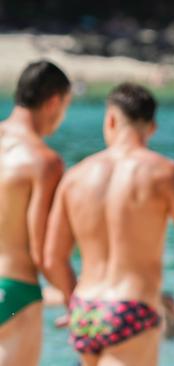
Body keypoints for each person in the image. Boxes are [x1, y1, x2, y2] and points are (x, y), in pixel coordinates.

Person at [42, 82, 174, 366]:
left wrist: (73, 305)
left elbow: (52, 258)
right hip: (131, 307)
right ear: (152, 128)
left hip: (85, 310)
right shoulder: (165, 173)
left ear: (110, 119)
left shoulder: (75, 176)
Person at [0, 60, 71, 366]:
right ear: (54, 102)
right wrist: (75, 297)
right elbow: (44, 254)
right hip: (15, 288)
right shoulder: (43, 161)